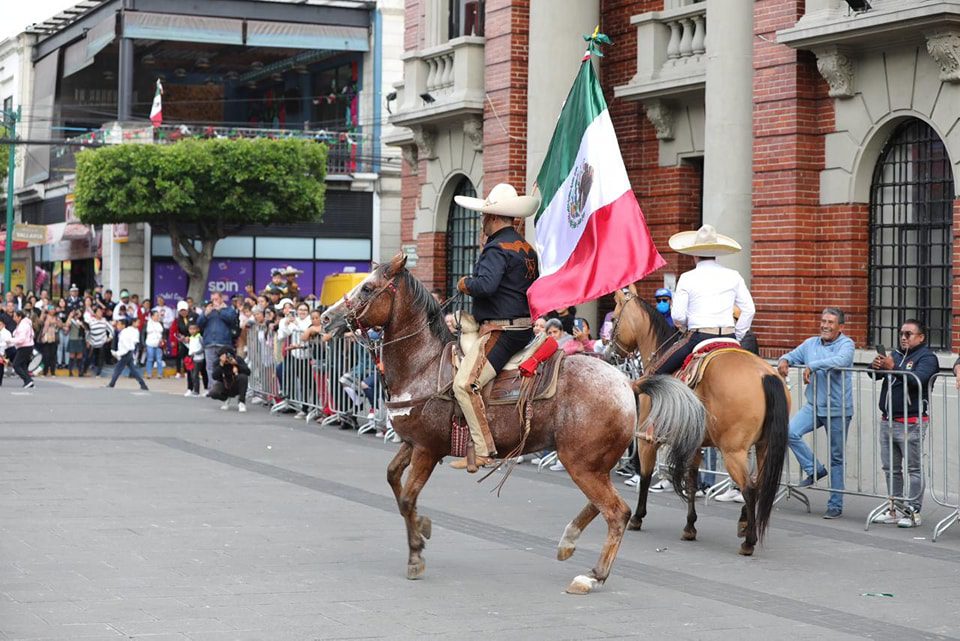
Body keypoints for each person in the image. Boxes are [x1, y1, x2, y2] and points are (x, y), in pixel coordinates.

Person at [449, 183, 540, 472]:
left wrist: (464, 283)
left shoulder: (496, 248)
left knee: (464, 384)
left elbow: (486, 286)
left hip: (503, 331)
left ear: (494, 218)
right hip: (523, 328)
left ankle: (484, 448)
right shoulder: (527, 249)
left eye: (485, 216)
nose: (482, 221)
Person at [778, 307, 855, 519]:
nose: (825, 326)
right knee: (788, 432)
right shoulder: (811, 343)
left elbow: (840, 361)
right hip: (814, 405)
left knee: (837, 457)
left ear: (840, 327)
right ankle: (815, 469)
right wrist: (784, 361)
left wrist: (812, 366)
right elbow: (791, 355)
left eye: (830, 322)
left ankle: (835, 504)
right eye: (823, 321)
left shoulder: (847, 344)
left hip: (838, 409)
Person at [657, 224, 755, 375]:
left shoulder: (687, 277)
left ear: (695, 254)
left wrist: (685, 327)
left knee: (656, 375)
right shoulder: (734, 275)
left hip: (699, 337)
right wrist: (738, 335)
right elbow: (749, 309)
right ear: (716, 253)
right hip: (730, 337)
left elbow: (677, 316)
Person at [868, 319, 938, 528]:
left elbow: (919, 380)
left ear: (921, 337)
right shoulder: (895, 355)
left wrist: (894, 367)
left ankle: (913, 511)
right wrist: (876, 366)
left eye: (908, 334)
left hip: (912, 421)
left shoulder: (927, 357)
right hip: (888, 419)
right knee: (890, 468)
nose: (903, 338)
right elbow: (873, 376)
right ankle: (895, 508)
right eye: (901, 334)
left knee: (913, 468)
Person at [197, 292, 238, 391]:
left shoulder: (229, 310)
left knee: (225, 366)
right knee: (210, 367)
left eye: (216, 299)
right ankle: (213, 389)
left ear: (221, 299)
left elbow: (231, 319)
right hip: (209, 342)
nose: (214, 302)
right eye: (212, 299)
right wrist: (205, 314)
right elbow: (199, 323)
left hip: (223, 343)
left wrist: (220, 310)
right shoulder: (208, 310)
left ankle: (225, 388)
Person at [106, 317, 149, 390]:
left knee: (118, 369)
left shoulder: (125, 333)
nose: (117, 326)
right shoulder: (124, 332)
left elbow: (127, 346)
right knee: (133, 370)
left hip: (126, 353)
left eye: (119, 324)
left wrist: (118, 354)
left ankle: (111, 384)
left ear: (123, 325)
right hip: (127, 353)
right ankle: (143, 384)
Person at [210, 346, 250, 412]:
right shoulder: (217, 362)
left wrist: (237, 364)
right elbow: (214, 376)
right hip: (224, 384)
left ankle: (241, 402)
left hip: (236, 384)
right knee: (213, 393)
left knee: (243, 377)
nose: (226, 359)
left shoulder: (238, 359)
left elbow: (248, 372)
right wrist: (221, 365)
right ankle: (225, 398)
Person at [85, 307, 114, 377]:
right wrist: (87, 340)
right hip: (93, 342)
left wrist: (110, 337)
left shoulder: (104, 321)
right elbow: (88, 331)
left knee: (100, 358)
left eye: (101, 312)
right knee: (89, 357)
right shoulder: (91, 321)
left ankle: (98, 373)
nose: (100, 313)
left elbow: (111, 329)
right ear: (95, 313)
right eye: (98, 312)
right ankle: (84, 370)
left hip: (102, 342)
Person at [10, 309, 35, 388]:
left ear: (19, 317)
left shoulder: (23, 325)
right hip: (27, 346)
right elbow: (32, 334)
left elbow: (21, 339)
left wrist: (10, 340)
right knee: (23, 365)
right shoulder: (25, 323)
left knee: (16, 365)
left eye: (15, 316)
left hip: (25, 347)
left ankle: (28, 380)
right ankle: (29, 381)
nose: (13, 318)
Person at [184, 323, 205, 397]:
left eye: (194, 329)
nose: (192, 331)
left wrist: (196, 353)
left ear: (198, 329)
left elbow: (203, 348)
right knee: (192, 375)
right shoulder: (191, 338)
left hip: (198, 359)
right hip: (192, 358)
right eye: (190, 329)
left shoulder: (200, 338)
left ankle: (196, 391)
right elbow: (190, 347)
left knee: (195, 375)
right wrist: (184, 342)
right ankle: (194, 390)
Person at [144, 309, 165, 379]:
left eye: (158, 315)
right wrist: (143, 344)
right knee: (150, 358)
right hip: (150, 343)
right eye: (156, 316)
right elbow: (143, 334)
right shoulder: (147, 323)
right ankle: (149, 373)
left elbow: (164, 333)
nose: (157, 317)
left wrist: (163, 339)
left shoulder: (161, 323)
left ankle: (160, 373)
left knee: (159, 359)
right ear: (152, 316)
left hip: (158, 344)